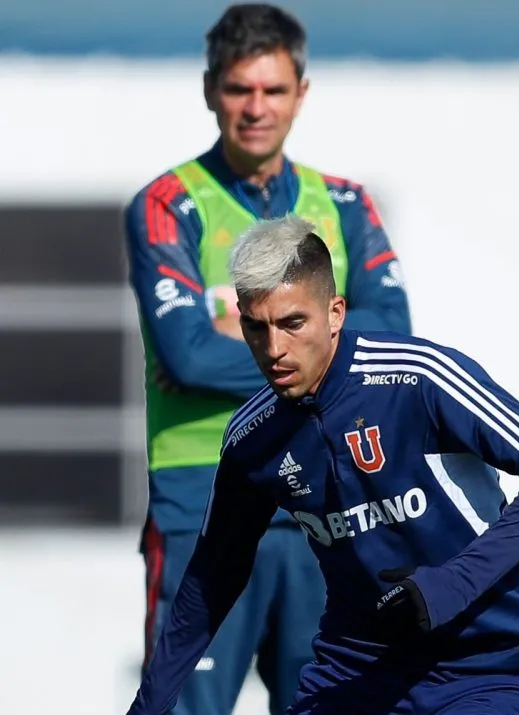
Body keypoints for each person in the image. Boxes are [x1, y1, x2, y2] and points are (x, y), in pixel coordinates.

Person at [125, 215, 519, 715]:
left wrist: (453, 581)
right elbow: (212, 575)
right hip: (354, 675)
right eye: (256, 327)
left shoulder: (421, 380)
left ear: (336, 313)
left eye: (293, 323)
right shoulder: (251, 437)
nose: (274, 348)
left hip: (481, 669)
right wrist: (147, 706)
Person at [123, 5, 412, 714]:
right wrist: (322, 344)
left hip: (329, 511)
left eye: (274, 90)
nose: (256, 108)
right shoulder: (167, 204)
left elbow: (395, 335)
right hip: (200, 505)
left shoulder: (343, 203)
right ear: (210, 90)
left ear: (300, 94)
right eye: (238, 89)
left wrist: (232, 330)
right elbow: (185, 354)